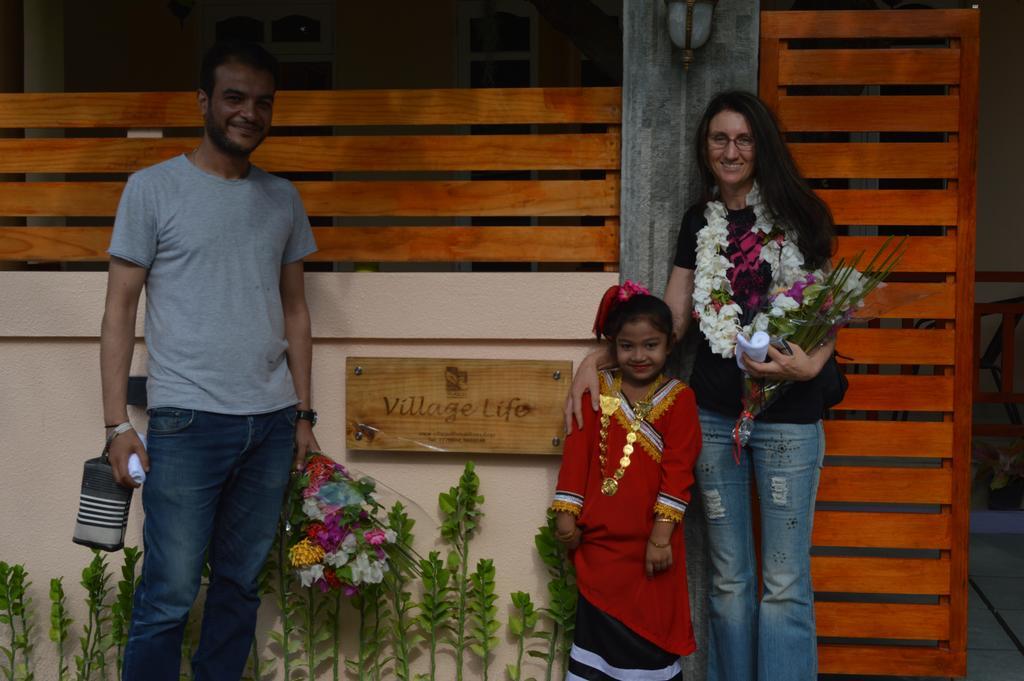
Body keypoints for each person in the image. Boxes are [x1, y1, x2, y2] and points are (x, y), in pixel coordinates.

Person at [568, 91, 841, 681]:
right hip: (717, 417)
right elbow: (673, 316)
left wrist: (809, 368)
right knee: (728, 577)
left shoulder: (803, 216)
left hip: (790, 419)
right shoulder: (700, 221)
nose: (731, 150)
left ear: (761, 144)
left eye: (743, 138)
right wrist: (602, 352)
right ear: (705, 148)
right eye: (720, 138)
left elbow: (827, 314)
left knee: (785, 582)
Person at [100, 41, 320, 680]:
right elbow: (119, 312)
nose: (249, 112)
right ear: (203, 101)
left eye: (262, 102)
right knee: (167, 596)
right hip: (187, 423)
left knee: (240, 588)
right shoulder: (152, 189)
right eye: (234, 97)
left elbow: (297, 313)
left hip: (272, 424)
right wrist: (116, 425)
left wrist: (303, 413)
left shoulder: (283, 199)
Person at [552, 284, 702, 680]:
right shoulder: (595, 391)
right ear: (613, 346)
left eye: (650, 345)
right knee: (596, 642)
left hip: (651, 551)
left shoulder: (680, 399)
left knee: (648, 638)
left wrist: (659, 538)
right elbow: (577, 452)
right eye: (627, 346)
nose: (638, 356)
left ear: (669, 345)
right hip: (599, 548)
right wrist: (566, 515)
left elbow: (679, 472)